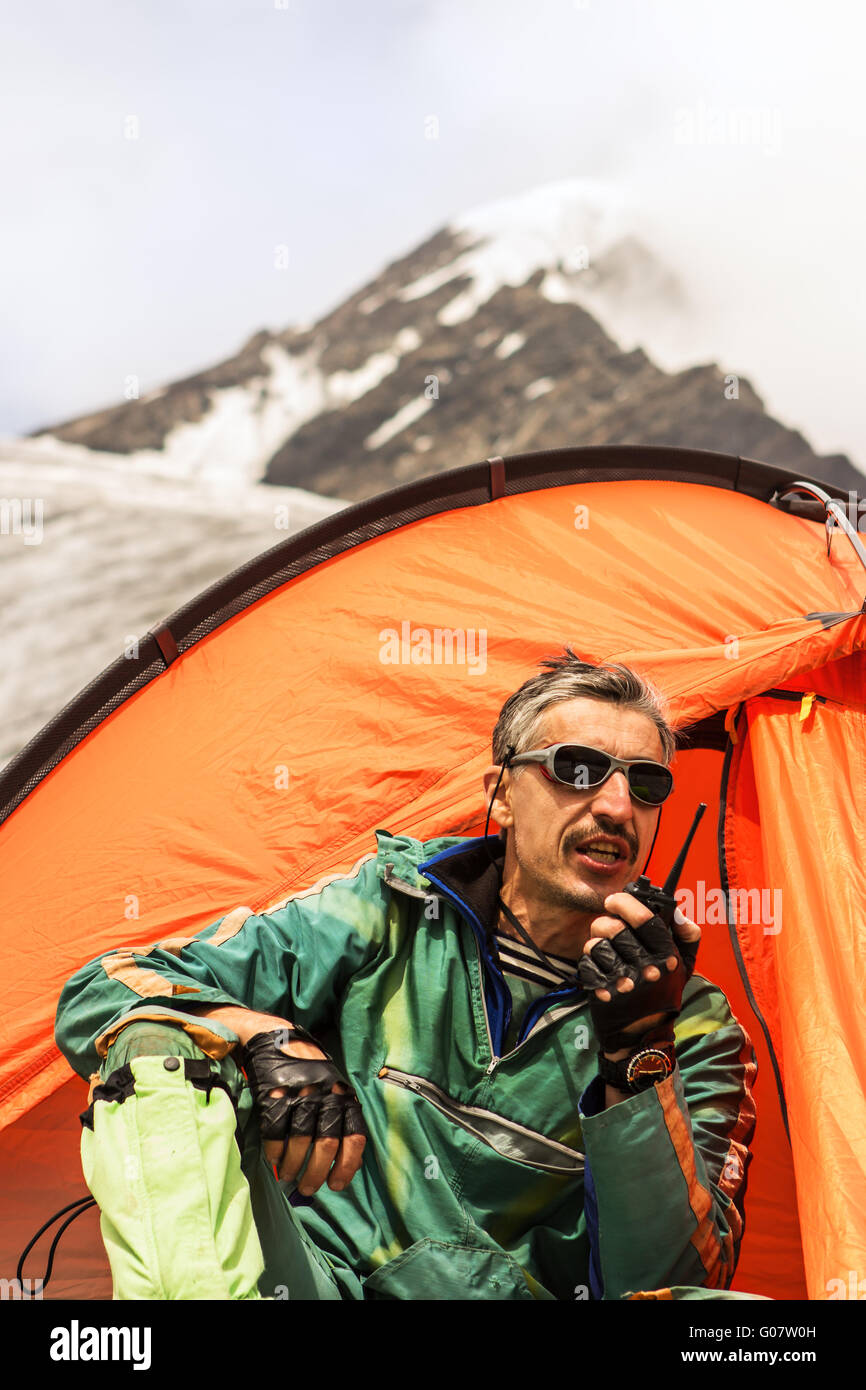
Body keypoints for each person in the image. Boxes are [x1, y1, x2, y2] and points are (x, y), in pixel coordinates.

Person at [55, 651, 758, 1301]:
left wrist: (638, 1057)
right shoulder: (385, 909)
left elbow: (672, 1279)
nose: (614, 805)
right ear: (502, 794)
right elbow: (105, 989)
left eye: (645, 782)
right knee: (157, 1048)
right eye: (575, 768)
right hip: (316, 1284)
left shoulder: (694, 1025)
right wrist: (260, 1034)